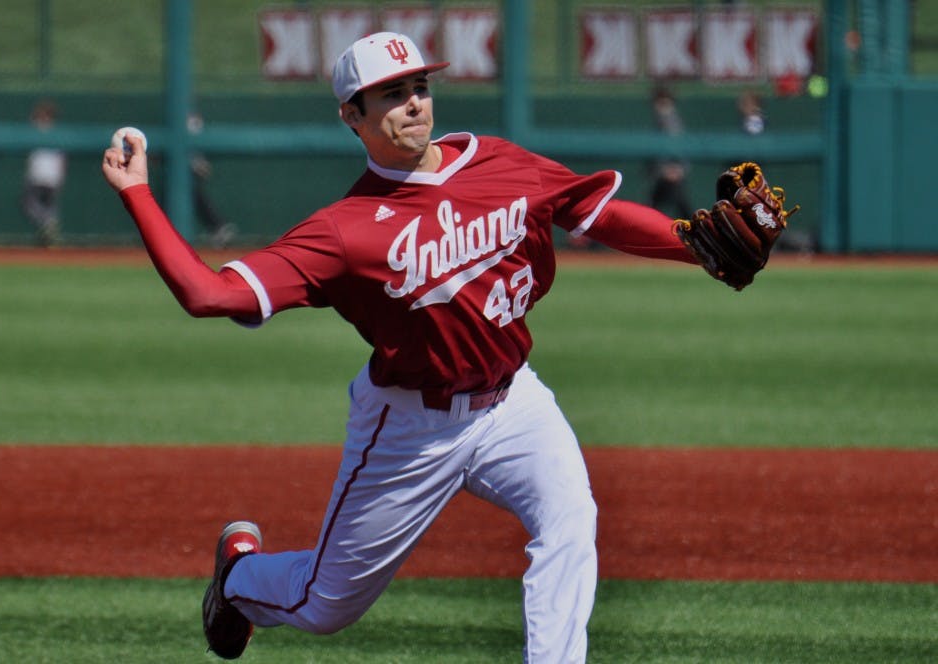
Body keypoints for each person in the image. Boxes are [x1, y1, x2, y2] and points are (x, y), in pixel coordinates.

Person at [101, 32, 697, 663]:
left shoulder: (498, 163)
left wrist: (697, 246)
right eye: (391, 94)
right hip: (411, 427)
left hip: (513, 403)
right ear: (351, 116)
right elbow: (208, 294)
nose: (414, 103)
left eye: (419, 87)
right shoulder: (344, 231)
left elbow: (598, 214)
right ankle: (238, 579)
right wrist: (138, 193)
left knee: (570, 519)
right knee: (325, 606)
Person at [187, 112, 237, 248]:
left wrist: (199, 164)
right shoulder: (182, 119)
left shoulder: (193, 121)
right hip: (184, 169)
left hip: (190, 170)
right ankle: (218, 226)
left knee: (194, 195)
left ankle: (218, 227)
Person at [22, 99, 67, 246]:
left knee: (32, 205)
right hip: (50, 176)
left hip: (41, 175)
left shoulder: (39, 132)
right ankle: (49, 227)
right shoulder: (57, 133)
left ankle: (48, 226)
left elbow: (62, 158)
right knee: (44, 207)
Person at [647, 86, 692, 220]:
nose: (658, 106)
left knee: (680, 206)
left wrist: (677, 168)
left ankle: (695, 229)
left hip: (671, 171)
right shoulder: (661, 119)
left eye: (663, 102)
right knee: (654, 206)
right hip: (665, 171)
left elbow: (677, 146)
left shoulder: (671, 119)